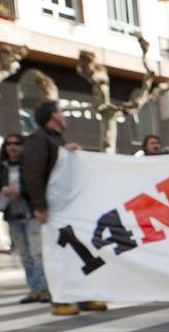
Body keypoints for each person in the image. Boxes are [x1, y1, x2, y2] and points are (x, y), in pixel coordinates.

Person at [21, 101, 107, 317]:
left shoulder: (55, 140)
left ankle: (83, 295)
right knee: (57, 253)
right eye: (61, 112)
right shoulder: (38, 140)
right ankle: (61, 298)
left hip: (68, 208)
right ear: (53, 116)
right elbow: (33, 174)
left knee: (79, 253)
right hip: (53, 209)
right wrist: (39, 206)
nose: (64, 115)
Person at [0, 133, 48, 304]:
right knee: (25, 255)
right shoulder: (3, 166)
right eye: (9, 143)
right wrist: (3, 193)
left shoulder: (31, 165)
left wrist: (20, 192)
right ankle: (34, 289)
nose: (13, 146)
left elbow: (38, 186)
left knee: (37, 253)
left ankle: (45, 289)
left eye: (17, 143)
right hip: (13, 215)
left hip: (32, 214)